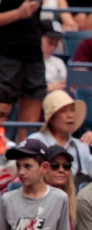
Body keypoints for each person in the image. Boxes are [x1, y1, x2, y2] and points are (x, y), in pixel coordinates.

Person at [27, 90, 92, 186]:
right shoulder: (35, 142)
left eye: (72, 110)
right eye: (63, 111)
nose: (70, 115)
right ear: (52, 118)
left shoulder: (81, 146)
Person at [0, 0, 44, 141]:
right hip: (6, 54)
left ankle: (26, 154)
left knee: (29, 125)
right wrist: (18, 13)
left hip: (34, 53)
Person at [44, 145, 78, 230]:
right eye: (55, 165)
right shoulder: (34, 198)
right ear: (44, 168)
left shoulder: (73, 200)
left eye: (66, 166)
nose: (61, 170)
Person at [40, 20, 67, 93]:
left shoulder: (59, 62)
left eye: (56, 44)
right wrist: (47, 89)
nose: (52, 47)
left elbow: (65, 83)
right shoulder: (27, 62)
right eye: (50, 42)